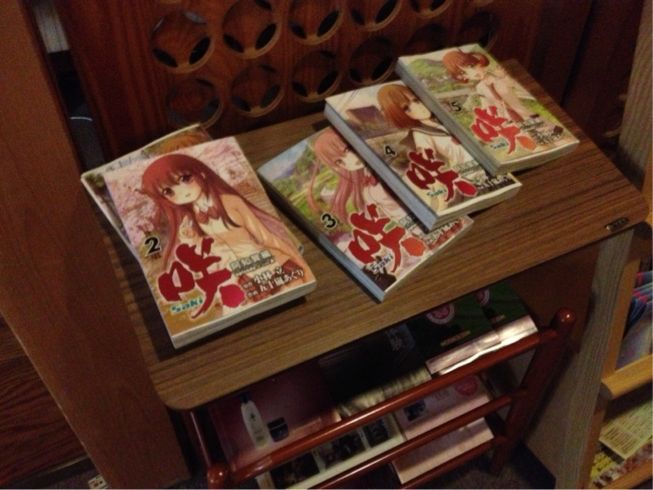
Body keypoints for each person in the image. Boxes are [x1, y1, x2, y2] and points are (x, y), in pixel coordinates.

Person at [141, 153, 313, 297]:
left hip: (269, 264)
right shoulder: (190, 220)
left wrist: (302, 265)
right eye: (168, 191)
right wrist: (191, 241)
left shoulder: (231, 202)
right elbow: (205, 258)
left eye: (185, 179)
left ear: (202, 173)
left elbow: (266, 238)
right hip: (240, 276)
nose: (181, 191)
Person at [307, 128, 407, 225]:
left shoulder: (387, 156)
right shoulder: (368, 190)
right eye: (339, 161)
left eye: (347, 150)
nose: (350, 160)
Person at [441, 48, 534, 123]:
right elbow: (486, 106)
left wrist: (505, 78)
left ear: (477, 61)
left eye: (471, 66)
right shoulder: (480, 87)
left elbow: (526, 90)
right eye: (463, 73)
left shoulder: (500, 76)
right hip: (508, 123)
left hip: (526, 116)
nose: (472, 73)